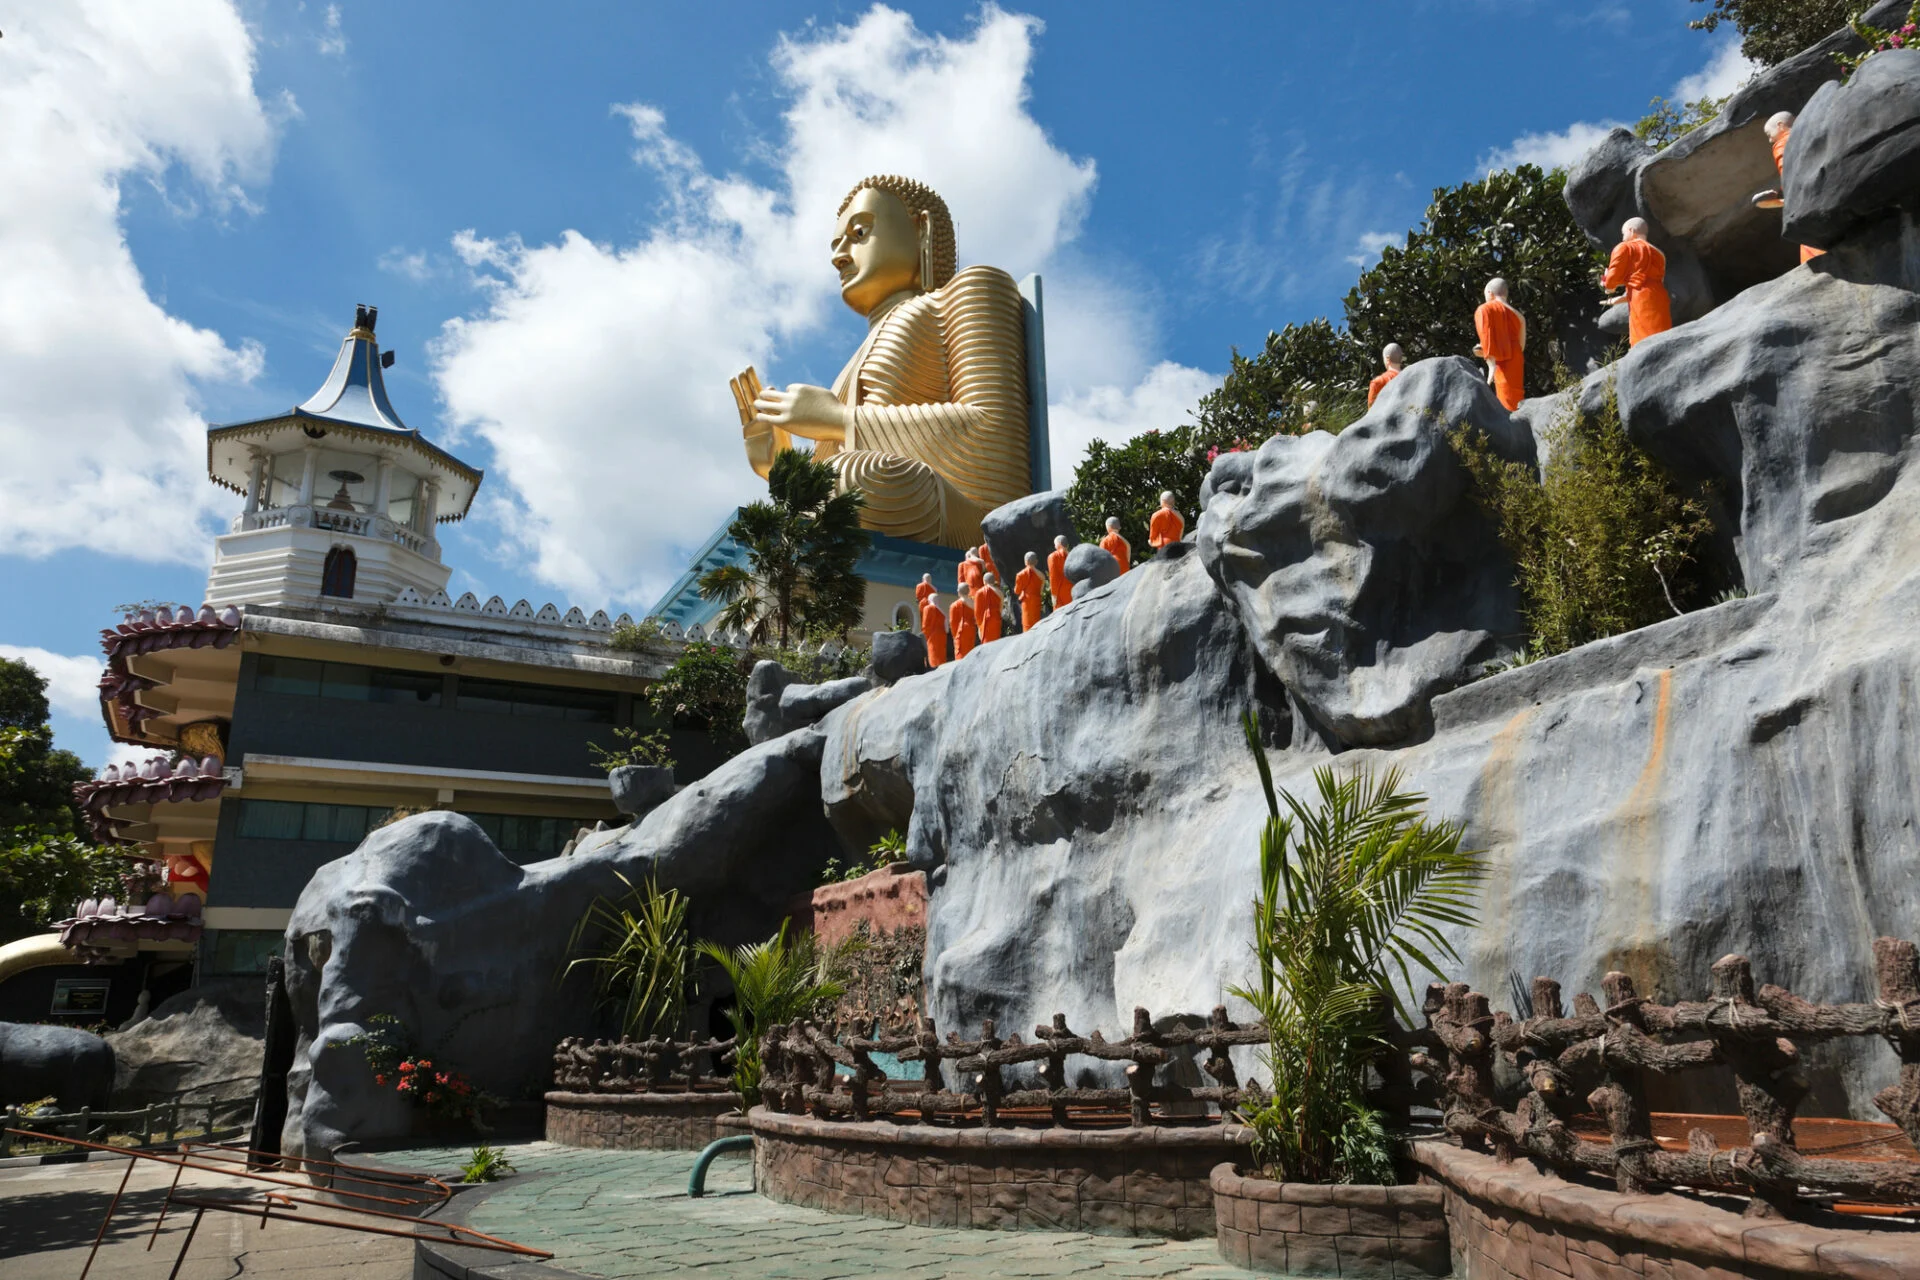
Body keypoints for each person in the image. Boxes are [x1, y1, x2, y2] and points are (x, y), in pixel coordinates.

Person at [742, 175, 1031, 548]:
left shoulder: (969, 291)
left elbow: (992, 427)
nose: (839, 256)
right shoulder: (850, 363)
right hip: (870, 493)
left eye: (859, 233)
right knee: (835, 484)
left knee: (861, 477)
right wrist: (781, 470)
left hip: (962, 517)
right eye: (836, 244)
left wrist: (838, 419)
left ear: (921, 229)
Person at [1758, 111, 1823, 264]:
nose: (1769, 140)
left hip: (1811, 207)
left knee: (1813, 253)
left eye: (1769, 133)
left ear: (1780, 126)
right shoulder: (1814, 132)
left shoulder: (1782, 144)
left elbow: (1794, 180)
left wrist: (1784, 199)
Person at [1601, 218, 1672, 347]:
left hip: (1640, 300)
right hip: (1660, 297)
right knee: (1662, 338)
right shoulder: (1659, 253)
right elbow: (1649, 282)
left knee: (1643, 340)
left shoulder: (1625, 247)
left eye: (1623, 234)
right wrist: (1621, 298)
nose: (1623, 238)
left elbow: (1612, 280)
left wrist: (1608, 285)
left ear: (1631, 231)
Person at [1472, 279, 1526, 411]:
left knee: (1505, 402)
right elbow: (1521, 346)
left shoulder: (1484, 309)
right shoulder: (1519, 316)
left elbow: (1487, 339)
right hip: (1516, 360)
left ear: (1489, 293)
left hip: (1499, 364)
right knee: (1516, 399)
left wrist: (1490, 362)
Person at [1014, 551, 1046, 632]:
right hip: (1036, 600)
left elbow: (1017, 591)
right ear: (1036, 561)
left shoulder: (1020, 575)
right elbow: (1041, 589)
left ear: (1025, 562)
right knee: (1037, 622)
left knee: (1027, 624)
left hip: (1026, 602)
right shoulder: (1041, 575)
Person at [948, 583, 978, 659]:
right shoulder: (974, 603)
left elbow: (952, 623)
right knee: (970, 651)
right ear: (968, 591)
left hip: (960, 631)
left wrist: (955, 636)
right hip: (972, 629)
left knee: (960, 653)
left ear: (959, 592)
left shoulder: (954, 605)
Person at [921, 592, 948, 667]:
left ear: (929, 600)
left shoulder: (927, 608)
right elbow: (947, 628)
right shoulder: (942, 612)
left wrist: (924, 637)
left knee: (933, 653)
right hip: (942, 635)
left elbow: (925, 624)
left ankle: (934, 670)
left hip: (932, 635)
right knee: (941, 654)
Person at [976, 573, 1004, 643]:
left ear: (984, 581)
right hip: (996, 620)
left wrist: (979, 626)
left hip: (985, 621)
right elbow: (1000, 609)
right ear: (993, 581)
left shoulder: (979, 593)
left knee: (986, 644)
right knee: (995, 643)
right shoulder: (1000, 593)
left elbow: (977, 612)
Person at [1048, 535, 1073, 609]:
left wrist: (1054, 595)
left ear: (1058, 544)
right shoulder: (1072, 555)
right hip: (1072, 590)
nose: (1054, 546)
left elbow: (1053, 577)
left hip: (1060, 593)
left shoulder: (1053, 556)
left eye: (1055, 544)